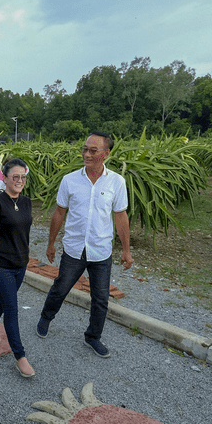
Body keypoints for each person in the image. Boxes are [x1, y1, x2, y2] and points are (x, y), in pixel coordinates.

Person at [36, 131, 133, 358]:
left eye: (93, 150)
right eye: (85, 149)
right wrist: (51, 243)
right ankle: (45, 318)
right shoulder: (69, 180)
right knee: (60, 288)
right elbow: (59, 212)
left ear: (106, 154)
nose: (86, 154)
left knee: (100, 298)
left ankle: (93, 337)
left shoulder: (117, 182)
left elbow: (120, 216)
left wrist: (127, 251)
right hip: (74, 249)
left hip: (101, 252)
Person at [0, 158, 35, 377]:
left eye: (23, 177)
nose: (20, 180)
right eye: (15, 177)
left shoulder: (26, 202)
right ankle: (20, 356)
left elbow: (23, 233)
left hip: (20, 264)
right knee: (12, 308)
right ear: (5, 178)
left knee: (5, 299)